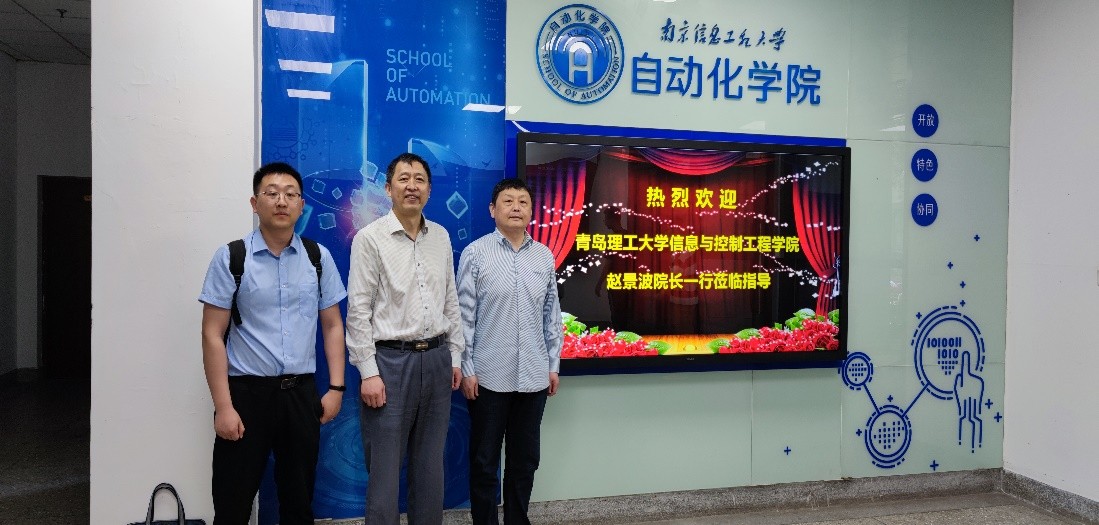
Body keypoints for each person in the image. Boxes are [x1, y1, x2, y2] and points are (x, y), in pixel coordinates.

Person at [198, 162, 348, 525]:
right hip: (246, 395)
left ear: (301, 205)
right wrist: (223, 407)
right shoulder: (232, 257)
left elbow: (332, 326)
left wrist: (336, 388)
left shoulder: (317, 257)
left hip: (300, 395)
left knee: (298, 502)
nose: (282, 201)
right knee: (232, 502)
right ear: (255, 203)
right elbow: (212, 334)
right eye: (272, 193)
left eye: (291, 194)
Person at [345, 152, 464, 525]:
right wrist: (368, 372)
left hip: (437, 360)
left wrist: (455, 357)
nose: (412, 186)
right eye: (403, 179)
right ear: (388, 188)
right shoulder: (370, 238)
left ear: (429, 189)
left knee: (430, 469)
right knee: (384, 472)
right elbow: (358, 311)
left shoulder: (440, 236)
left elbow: (450, 301)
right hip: (390, 365)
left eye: (420, 179)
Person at [457, 177, 563, 525]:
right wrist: (467, 369)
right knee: (484, 462)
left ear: (531, 211)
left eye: (523, 202)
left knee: (525, 462)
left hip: (534, 377)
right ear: (492, 209)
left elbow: (551, 316)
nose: (516, 207)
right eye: (508, 201)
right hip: (487, 378)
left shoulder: (544, 256)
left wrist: (553, 366)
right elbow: (463, 318)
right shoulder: (475, 254)